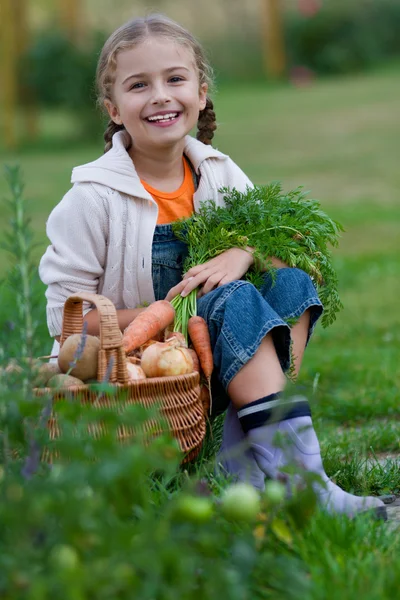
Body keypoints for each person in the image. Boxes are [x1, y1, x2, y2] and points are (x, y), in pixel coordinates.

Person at [39, 14, 385, 519]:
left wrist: (243, 251)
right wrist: (163, 314)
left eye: (175, 79)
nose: (160, 95)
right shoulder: (91, 200)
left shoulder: (218, 173)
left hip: (216, 361)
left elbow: (286, 244)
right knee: (235, 296)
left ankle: (241, 453)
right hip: (147, 367)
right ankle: (301, 483)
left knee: (290, 282)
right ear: (114, 108)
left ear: (201, 93)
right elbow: (63, 319)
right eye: (139, 85)